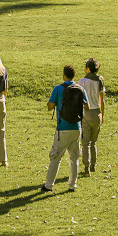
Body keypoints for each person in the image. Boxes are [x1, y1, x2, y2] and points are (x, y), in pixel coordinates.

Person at [42, 64, 85, 192]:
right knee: (74, 158)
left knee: (56, 157)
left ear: (63, 75)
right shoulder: (80, 88)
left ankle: (49, 185)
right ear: (74, 75)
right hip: (77, 127)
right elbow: (86, 106)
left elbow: (50, 106)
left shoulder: (58, 89)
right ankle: (72, 185)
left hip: (63, 127)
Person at [78, 57, 106, 175]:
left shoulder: (82, 82)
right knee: (93, 142)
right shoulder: (99, 80)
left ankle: (86, 168)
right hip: (97, 112)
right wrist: (102, 115)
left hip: (86, 113)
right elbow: (102, 100)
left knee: (85, 142)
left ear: (88, 69)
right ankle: (93, 165)